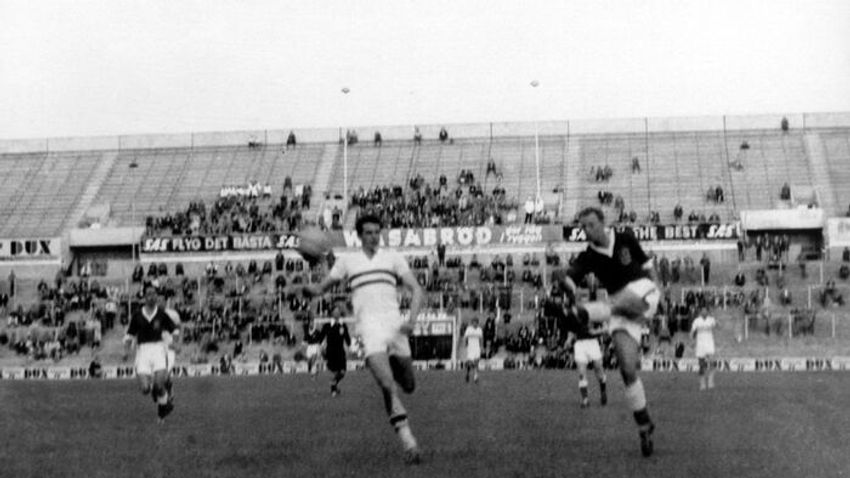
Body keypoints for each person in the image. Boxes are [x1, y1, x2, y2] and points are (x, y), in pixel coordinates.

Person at [300, 213, 425, 464]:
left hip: (395, 328)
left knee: (409, 385)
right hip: (369, 330)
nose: (373, 237)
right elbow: (320, 289)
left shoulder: (392, 257)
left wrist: (412, 320)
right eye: (368, 232)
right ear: (359, 235)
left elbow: (417, 289)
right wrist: (307, 288)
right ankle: (409, 442)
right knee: (387, 384)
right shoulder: (348, 261)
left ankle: (394, 369)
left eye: (376, 232)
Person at [551, 207, 660, 457]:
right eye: (583, 227)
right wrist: (563, 281)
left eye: (591, 224)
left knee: (617, 301)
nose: (587, 230)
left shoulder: (625, 237)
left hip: (644, 292)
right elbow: (572, 279)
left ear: (602, 222)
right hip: (618, 310)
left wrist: (659, 288)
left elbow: (647, 264)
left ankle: (584, 313)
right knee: (627, 369)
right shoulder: (588, 256)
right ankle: (644, 423)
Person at [123, 286, 177, 423]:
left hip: (158, 349)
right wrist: (126, 351)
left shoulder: (161, 314)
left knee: (159, 385)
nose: (151, 297)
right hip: (143, 351)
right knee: (145, 389)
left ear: (156, 297)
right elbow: (130, 334)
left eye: (153, 294)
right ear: (144, 297)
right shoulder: (137, 315)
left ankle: (162, 413)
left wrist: (176, 343)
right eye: (148, 294)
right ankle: (163, 396)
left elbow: (174, 330)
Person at [319, 306, 352, 396]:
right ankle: (334, 389)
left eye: (338, 311)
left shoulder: (343, 325)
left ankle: (333, 383)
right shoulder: (327, 326)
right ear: (332, 313)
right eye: (335, 311)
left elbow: (348, 339)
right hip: (330, 352)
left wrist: (349, 345)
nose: (337, 313)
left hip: (340, 352)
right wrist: (321, 349)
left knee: (342, 372)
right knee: (336, 372)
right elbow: (320, 338)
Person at [690, 308, 717, 390]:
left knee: (713, 362)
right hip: (700, 344)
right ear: (700, 312)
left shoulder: (711, 319)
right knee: (701, 365)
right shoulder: (697, 320)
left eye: (706, 311)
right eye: (703, 311)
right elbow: (692, 331)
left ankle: (710, 380)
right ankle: (702, 384)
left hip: (709, 343)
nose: (704, 312)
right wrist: (692, 340)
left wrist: (717, 322)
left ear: (707, 312)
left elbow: (718, 326)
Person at [463, 318, 484, 384]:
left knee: (476, 362)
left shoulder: (479, 330)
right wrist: (465, 344)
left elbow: (481, 339)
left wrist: (481, 347)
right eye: (474, 322)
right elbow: (465, 337)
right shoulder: (468, 329)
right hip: (470, 348)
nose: (475, 324)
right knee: (470, 363)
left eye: (476, 322)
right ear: (472, 323)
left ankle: (476, 377)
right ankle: (467, 373)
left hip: (477, 348)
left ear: (477, 323)